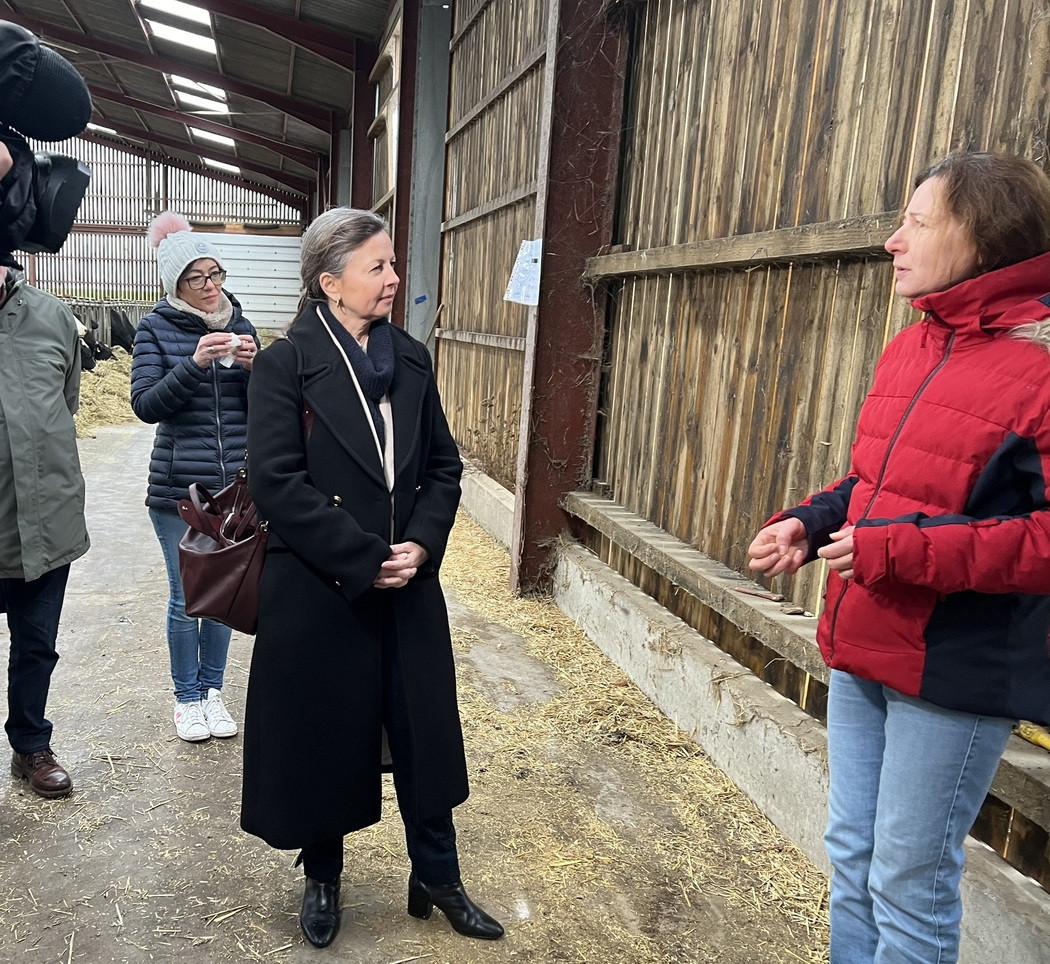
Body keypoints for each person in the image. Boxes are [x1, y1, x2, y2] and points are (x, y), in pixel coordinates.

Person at [746, 151, 1050, 963]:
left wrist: (896, 553)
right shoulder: (915, 347)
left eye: (916, 222)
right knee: (852, 858)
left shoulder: (1041, 365)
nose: (892, 240)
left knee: (908, 882)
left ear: (981, 236)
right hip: (863, 644)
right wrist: (808, 525)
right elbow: (872, 483)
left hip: (954, 666)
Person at [240, 208, 503, 949]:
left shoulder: (410, 359)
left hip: (409, 585)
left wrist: (420, 544)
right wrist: (362, 557)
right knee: (328, 731)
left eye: (392, 264)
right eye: (378, 267)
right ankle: (323, 876)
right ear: (330, 282)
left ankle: (439, 876)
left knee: (422, 731)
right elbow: (274, 482)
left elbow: (444, 469)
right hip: (322, 587)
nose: (394, 279)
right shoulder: (285, 363)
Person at [0, 22, 94, 801]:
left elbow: (65, 408)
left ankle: (31, 746)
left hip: (45, 524)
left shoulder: (53, 317)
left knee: (38, 648)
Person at [131, 211, 259, 743]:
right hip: (179, 491)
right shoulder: (154, 327)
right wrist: (194, 366)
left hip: (234, 490)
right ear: (175, 284)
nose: (210, 287)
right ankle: (185, 699)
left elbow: (262, 411)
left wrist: (259, 371)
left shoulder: (242, 322)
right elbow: (144, 405)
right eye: (197, 278)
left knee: (226, 591)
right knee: (186, 596)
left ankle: (212, 693)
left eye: (216, 274)